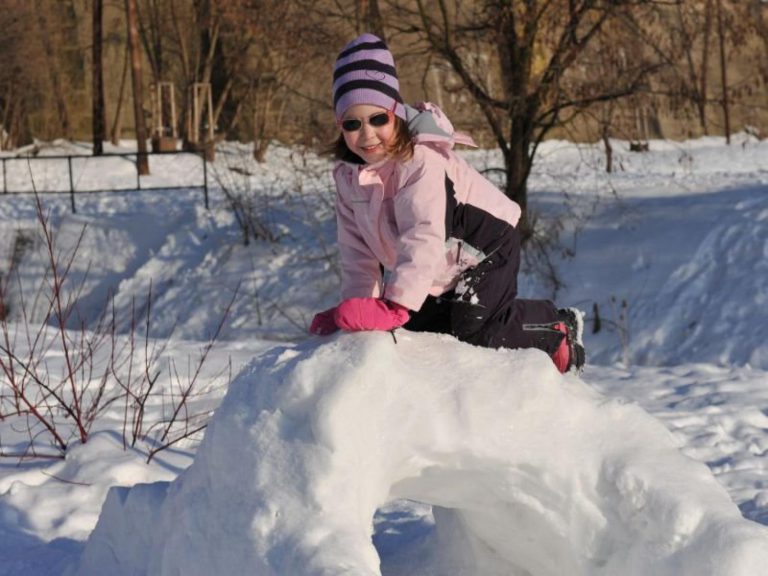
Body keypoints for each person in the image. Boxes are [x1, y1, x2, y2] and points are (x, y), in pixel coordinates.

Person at [310, 33, 585, 373]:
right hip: (444, 260)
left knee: (476, 330)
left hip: (487, 246)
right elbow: (357, 253)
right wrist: (356, 308)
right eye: (353, 124)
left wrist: (395, 305)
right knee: (420, 330)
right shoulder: (348, 178)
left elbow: (422, 235)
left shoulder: (419, 162)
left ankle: (553, 327)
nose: (367, 135)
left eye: (377, 118)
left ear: (395, 112)